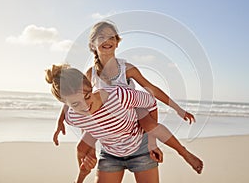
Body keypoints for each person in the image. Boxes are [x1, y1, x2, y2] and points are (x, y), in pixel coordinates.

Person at [53, 21, 201, 174]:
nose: (107, 40)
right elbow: (74, 96)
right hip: (111, 118)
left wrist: (178, 109)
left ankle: (184, 153)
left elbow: (152, 90)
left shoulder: (127, 69)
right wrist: (60, 120)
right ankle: (87, 165)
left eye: (111, 37)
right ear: (92, 44)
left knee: (148, 123)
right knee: (85, 140)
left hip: (133, 110)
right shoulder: (91, 73)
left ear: (117, 43)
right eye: (101, 37)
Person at [45, 65, 203, 183]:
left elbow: (151, 102)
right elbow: (86, 125)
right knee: (81, 148)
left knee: (149, 125)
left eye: (87, 97)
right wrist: (90, 151)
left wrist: (151, 141)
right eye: (76, 104)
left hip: (140, 147)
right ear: (65, 104)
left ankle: (184, 152)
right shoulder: (72, 117)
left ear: (91, 86)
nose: (86, 107)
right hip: (110, 154)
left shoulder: (120, 95)